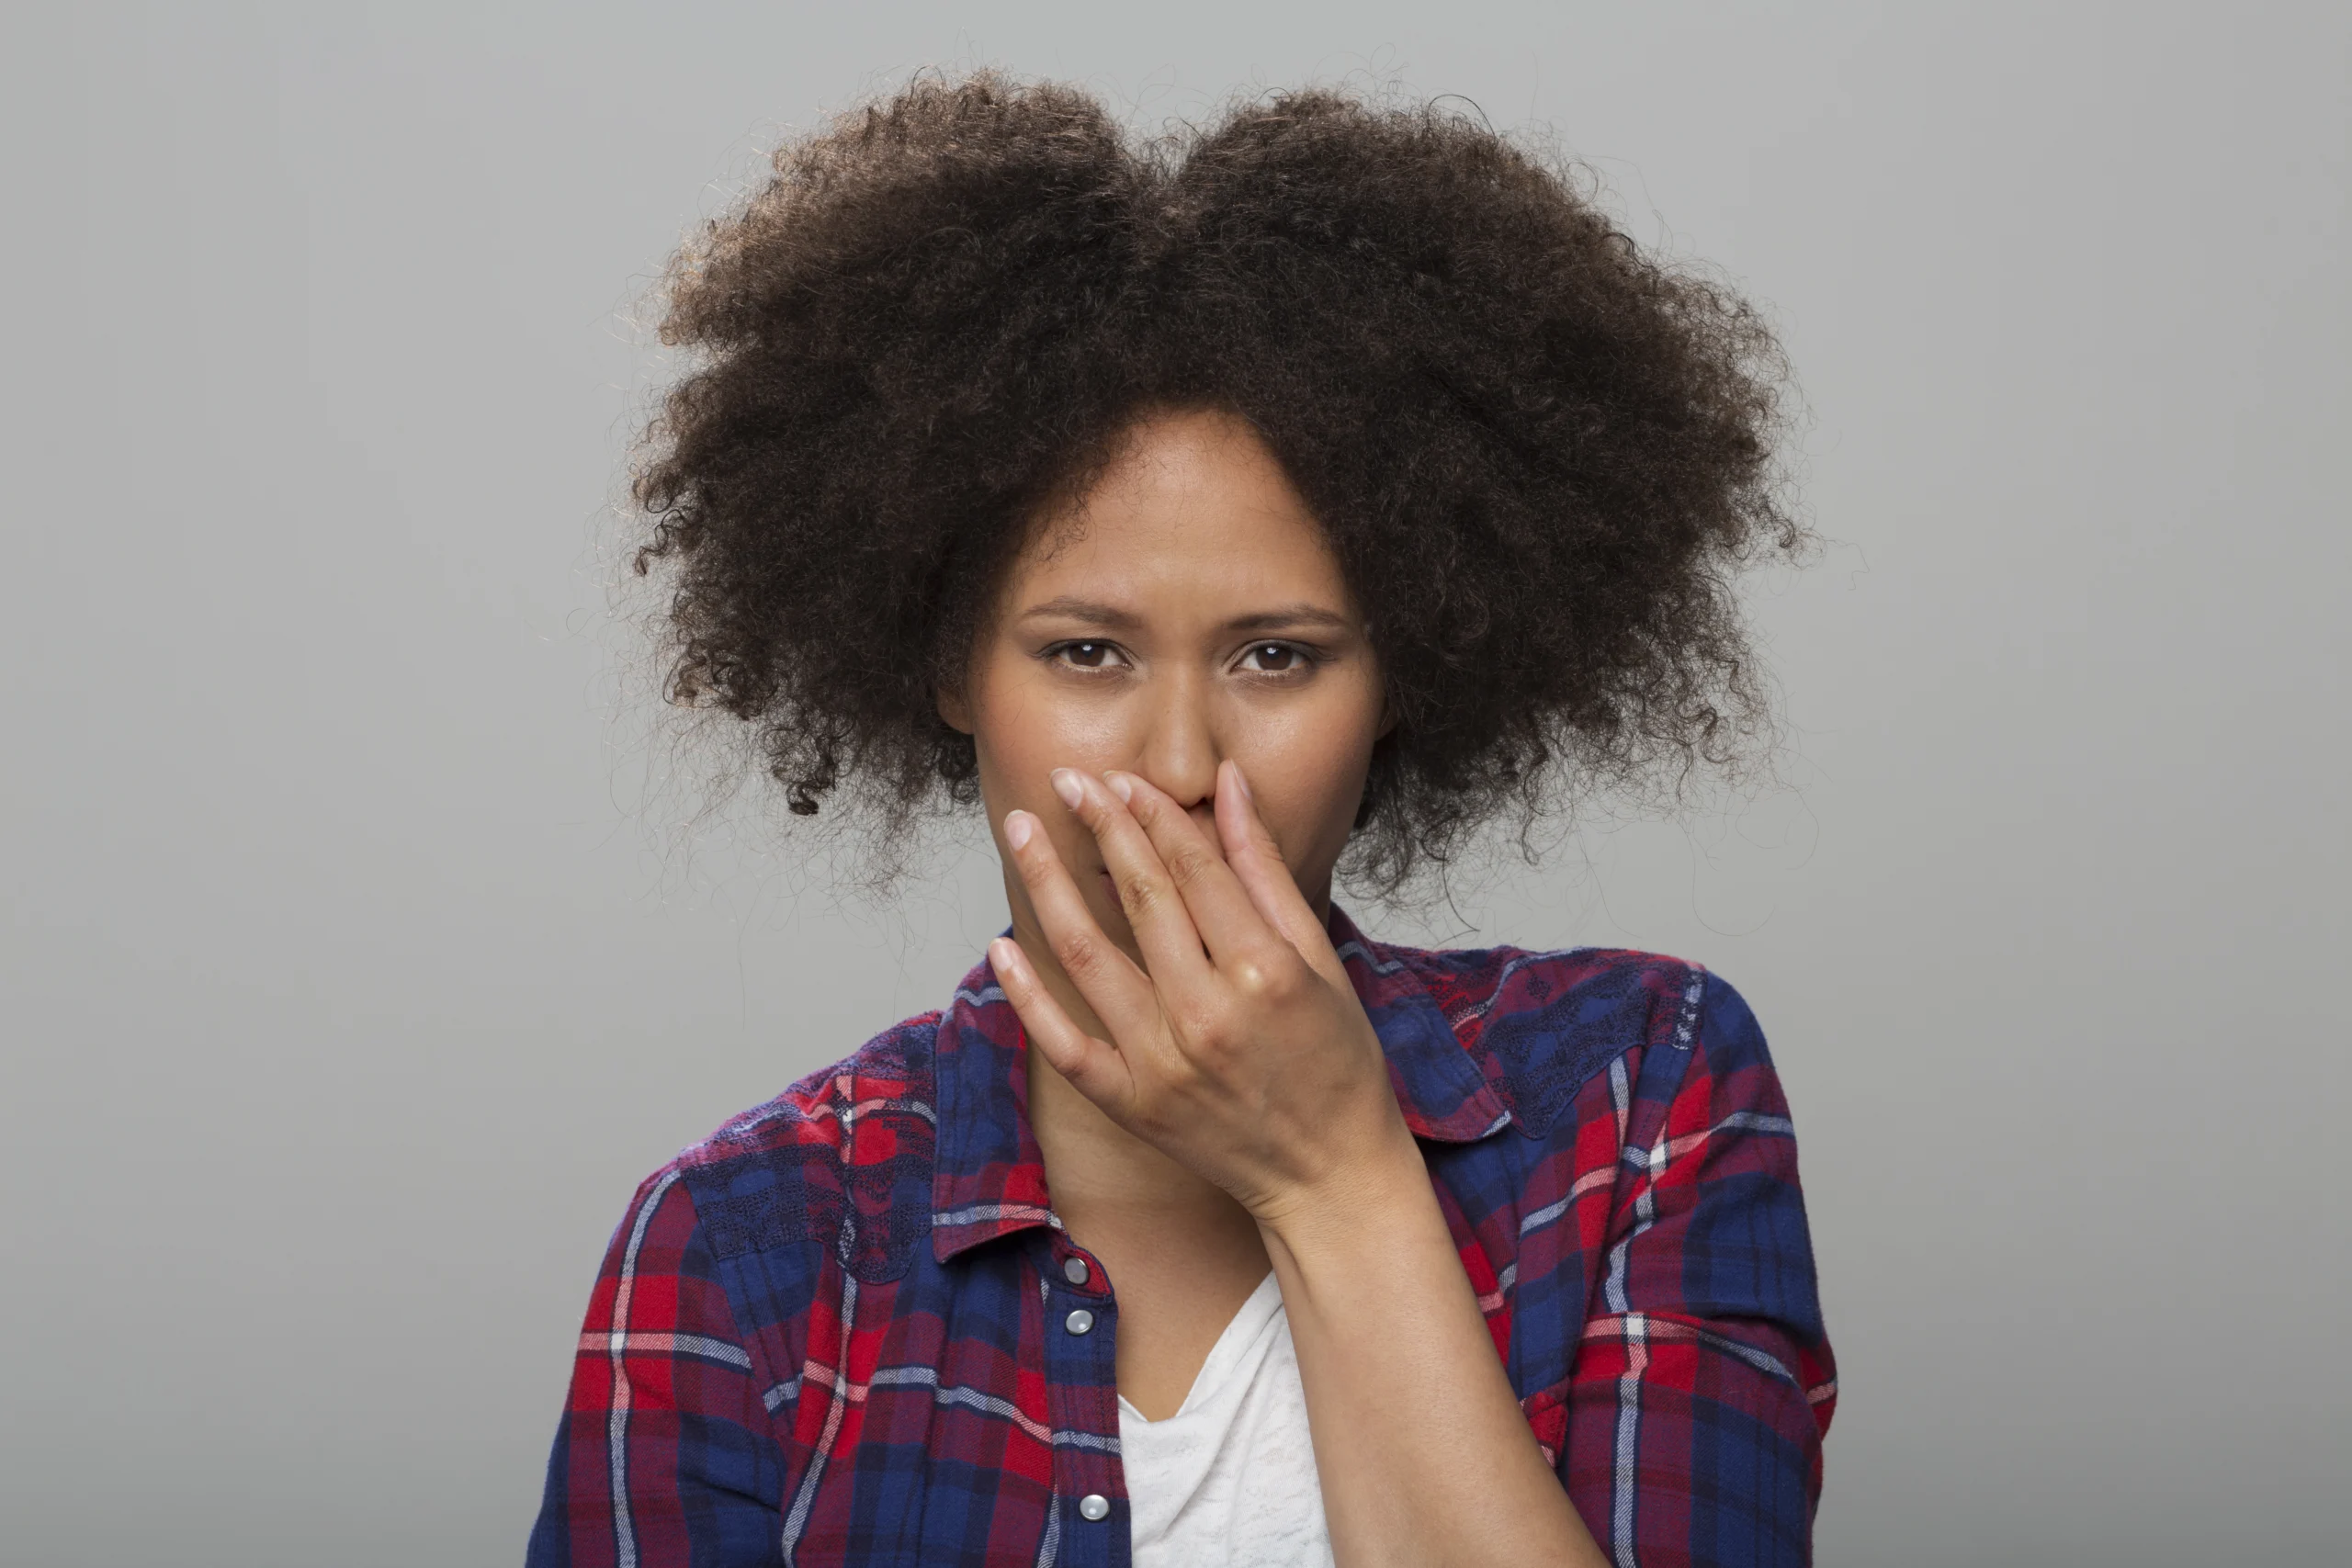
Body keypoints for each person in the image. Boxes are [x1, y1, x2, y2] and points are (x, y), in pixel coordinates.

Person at [527, 72, 1835, 1568]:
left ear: (1406, 674)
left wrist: (1334, 1179)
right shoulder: (746, 1243)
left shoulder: (1641, 1092)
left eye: (1278, 655)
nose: (1180, 757)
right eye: (1086, 652)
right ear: (953, 669)